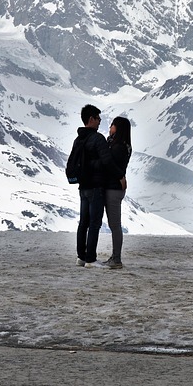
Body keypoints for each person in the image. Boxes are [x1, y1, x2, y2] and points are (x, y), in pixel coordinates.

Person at [71, 104, 123, 268]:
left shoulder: (78, 139)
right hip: (96, 186)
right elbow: (107, 161)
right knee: (94, 223)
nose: (100, 121)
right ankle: (91, 259)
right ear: (91, 119)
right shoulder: (97, 138)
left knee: (83, 223)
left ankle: (81, 256)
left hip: (83, 186)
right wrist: (120, 176)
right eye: (98, 118)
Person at [101, 116, 132, 269]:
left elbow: (110, 164)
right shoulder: (124, 145)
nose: (110, 127)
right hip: (116, 187)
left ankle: (117, 258)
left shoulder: (117, 146)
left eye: (112, 125)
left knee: (115, 225)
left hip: (113, 187)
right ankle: (115, 256)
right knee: (115, 225)